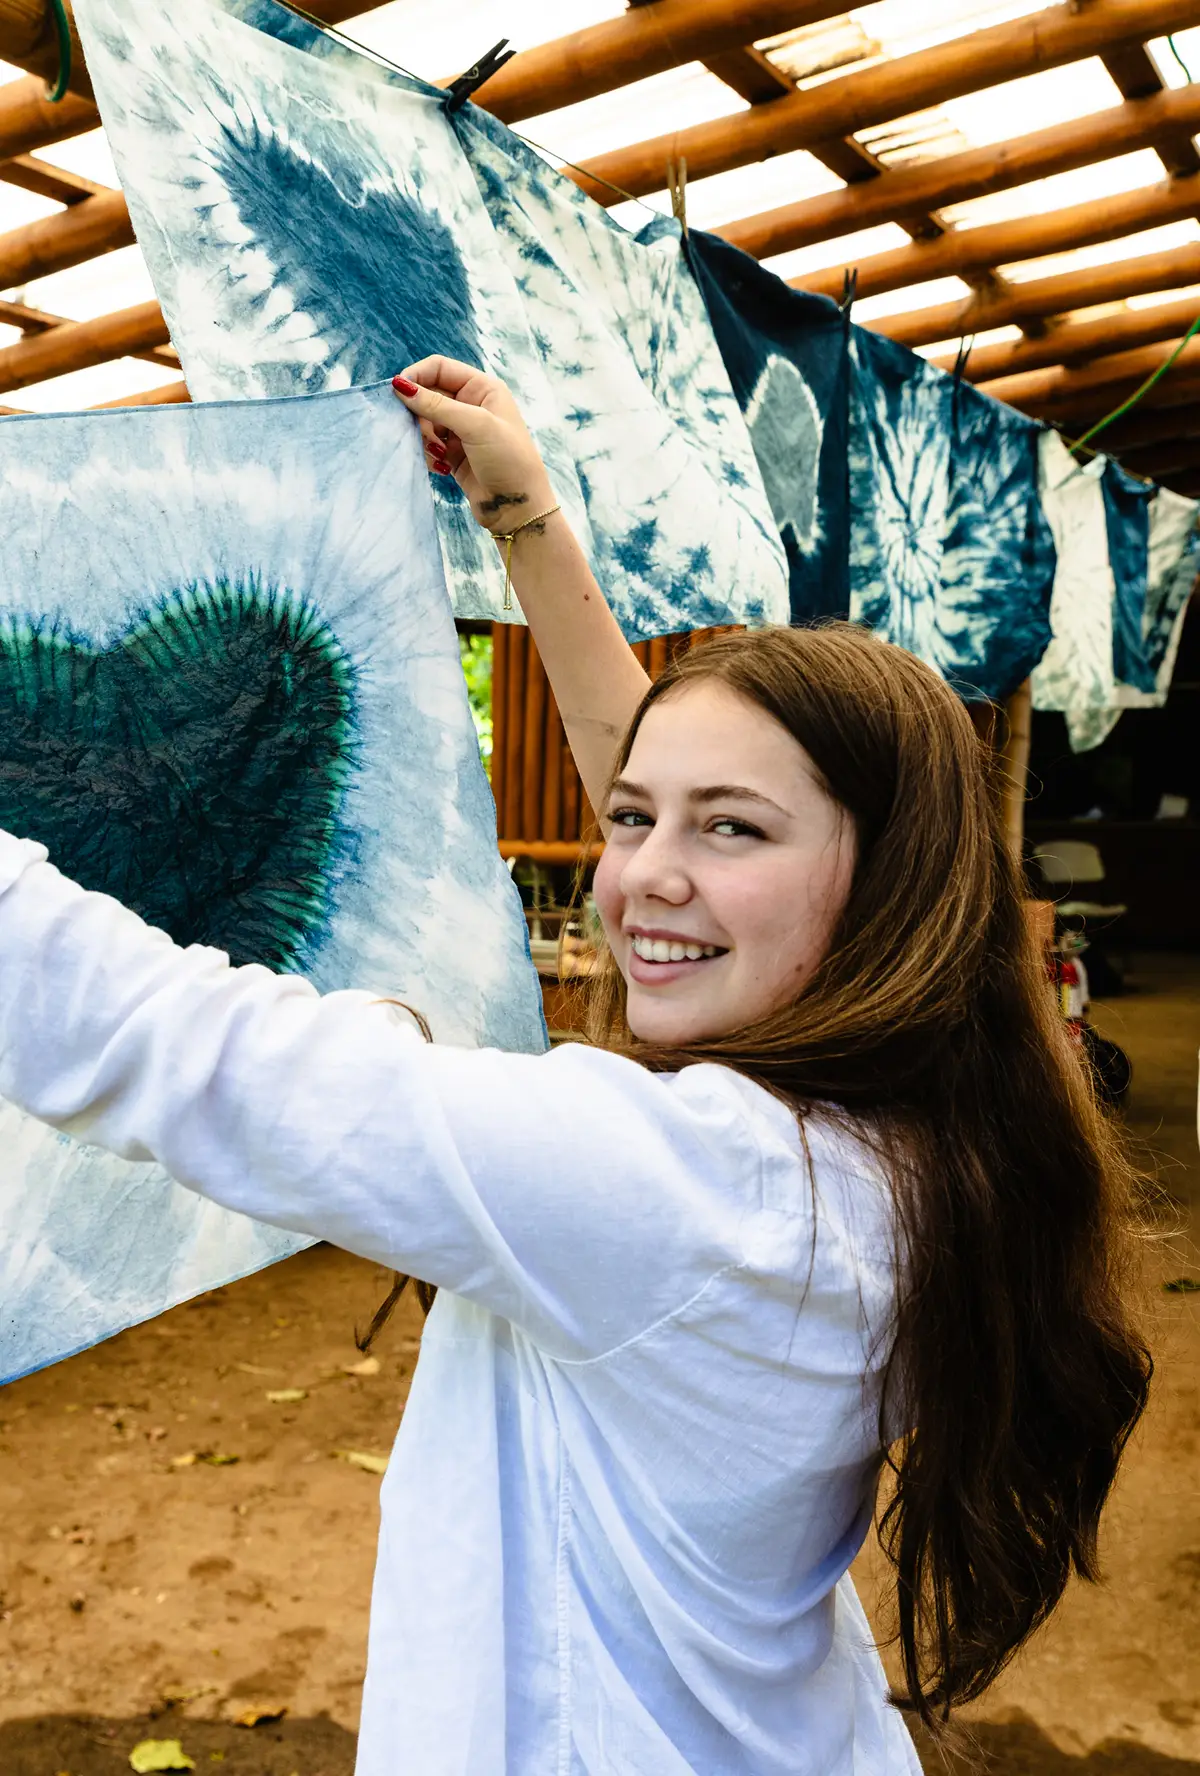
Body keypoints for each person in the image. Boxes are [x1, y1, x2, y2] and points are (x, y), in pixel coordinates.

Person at [0, 358, 1149, 1775]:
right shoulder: (910, 1121)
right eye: (630, 820)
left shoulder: (680, 1184)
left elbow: (178, 1048)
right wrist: (529, 522)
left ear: (887, 886)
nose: (643, 879)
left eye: (728, 830)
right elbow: (700, 819)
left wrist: (384, 1048)